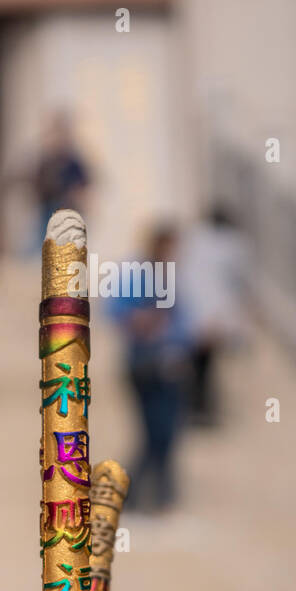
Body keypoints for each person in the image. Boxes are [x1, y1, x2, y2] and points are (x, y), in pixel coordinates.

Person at [108, 223, 193, 512]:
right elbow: (116, 311)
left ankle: (161, 493)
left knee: (166, 432)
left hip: (169, 365)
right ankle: (137, 493)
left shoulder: (174, 278)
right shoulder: (136, 274)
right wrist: (138, 320)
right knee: (153, 432)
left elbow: (184, 324)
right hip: (144, 365)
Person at [176, 205, 251, 426]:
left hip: (192, 309)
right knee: (204, 365)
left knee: (197, 363)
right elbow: (238, 283)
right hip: (215, 313)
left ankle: (196, 407)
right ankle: (201, 408)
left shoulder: (193, 238)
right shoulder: (235, 245)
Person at [30, 112, 91, 253]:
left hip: (67, 207)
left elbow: (83, 183)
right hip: (47, 207)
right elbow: (37, 182)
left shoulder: (73, 160)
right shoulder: (45, 160)